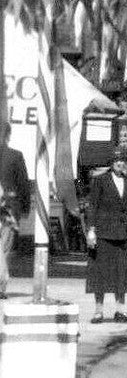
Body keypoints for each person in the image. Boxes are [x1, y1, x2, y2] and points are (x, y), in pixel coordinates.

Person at [85, 150, 127, 324]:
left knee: (121, 273)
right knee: (100, 273)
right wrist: (91, 229)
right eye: (117, 160)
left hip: (122, 233)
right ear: (111, 163)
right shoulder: (100, 180)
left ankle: (120, 311)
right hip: (103, 232)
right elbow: (92, 206)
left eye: (123, 160)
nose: (120, 163)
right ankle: (98, 311)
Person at [0, 122, 30, 300]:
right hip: (9, 210)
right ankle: (1, 285)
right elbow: (23, 186)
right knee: (4, 248)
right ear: (8, 136)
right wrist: (25, 207)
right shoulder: (15, 156)